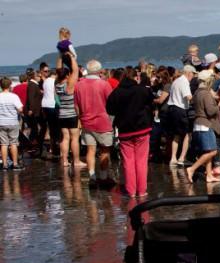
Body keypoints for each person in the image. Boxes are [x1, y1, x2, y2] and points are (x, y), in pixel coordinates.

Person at [106, 67, 153, 197]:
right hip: (142, 128)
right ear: (135, 77)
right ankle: (141, 190)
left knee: (128, 162)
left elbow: (109, 109)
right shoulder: (142, 90)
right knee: (141, 160)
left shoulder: (116, 92)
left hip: (125, 130)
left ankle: (131, 190)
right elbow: (151, 103)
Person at [74, 59, 115, 188]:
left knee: (90, 150)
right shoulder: (104, 84)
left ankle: (92, 176)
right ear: (99, 71)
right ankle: (103, 177)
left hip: (86, 121)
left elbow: (76, 106)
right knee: (105, 150)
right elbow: (112, 103)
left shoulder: (79, 84)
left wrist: (80, 118)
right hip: (103, 121)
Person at [185, 70, 220, 183]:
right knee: (213, 151)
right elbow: (210, 111)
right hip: (205, 124)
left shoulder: (197, 92)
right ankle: (192, 169)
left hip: (198, 124)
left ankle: (209, 175)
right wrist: (218, 105)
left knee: (207, 151)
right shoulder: (205, 93)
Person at [55, 53, 85, 168]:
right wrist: (71, 57)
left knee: (65, 138)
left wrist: (61, 56)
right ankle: (76, 161)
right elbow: (76, 70)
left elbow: (58, 70)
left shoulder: (57, 84)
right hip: (72, 114)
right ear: (67, 75)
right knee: (75, 138)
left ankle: (64, 161)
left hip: (62, 114)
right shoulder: (69, 85)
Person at [166, 65, 195, 167]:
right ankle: (182, 158)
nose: (193, 76)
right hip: (180, 109)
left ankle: (173, 158)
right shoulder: (184, 82)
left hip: (171, 109)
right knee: (187, 134)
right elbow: (188, 97)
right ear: (189, 73)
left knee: (176, 135)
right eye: (193, 74)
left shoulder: (176, 81)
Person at [0, 77, 24, 170]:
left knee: (3, 144)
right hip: (12, 122)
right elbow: (20, 109)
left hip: (1, 122)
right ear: (10, 85)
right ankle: (14, 163)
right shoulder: (13, 96)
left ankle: (5, 164)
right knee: (13, 143)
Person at [25, 70, 44, 155]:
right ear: (34, 76)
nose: (40, 77)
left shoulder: (34, 85)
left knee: (36, 128)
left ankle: (34, 144)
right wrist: (31, 109)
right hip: (34, 111)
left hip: (36, 110)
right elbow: (31, 98)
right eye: (39, 76)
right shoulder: (32, 85)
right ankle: (33, 144)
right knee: (35, 128)